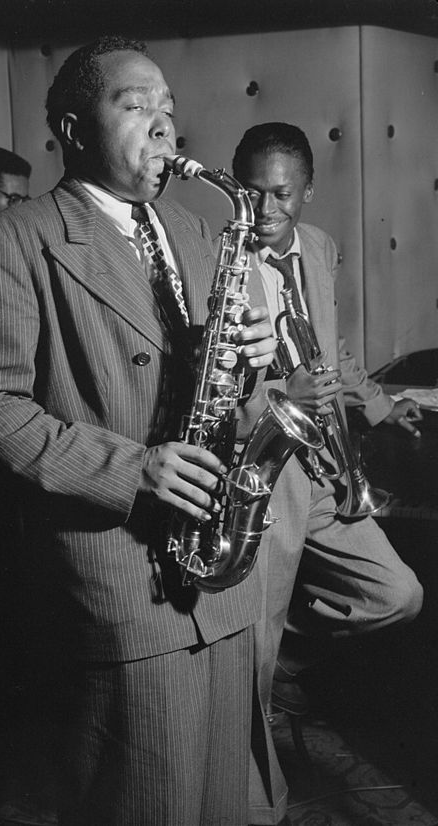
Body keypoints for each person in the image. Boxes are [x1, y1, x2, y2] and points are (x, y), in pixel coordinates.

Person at [0, 36, 279, 826]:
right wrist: (134, 470)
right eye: (135, 107)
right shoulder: (9, 240)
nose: (164, 128)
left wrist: (254, 360)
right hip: (121, 584)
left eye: (168, 110)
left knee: (227, 808)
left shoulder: (201, 236)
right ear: (71, 128)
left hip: (223, 581)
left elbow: (221, 389)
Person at [231, 122, 424, 822]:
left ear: (307, 191)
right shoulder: (216, 258)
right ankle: (263, 805)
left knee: (396, 593)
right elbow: (204, 382)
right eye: (251, 191)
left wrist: (376, 406)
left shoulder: (319, 247)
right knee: (246, 653)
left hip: (323, 467)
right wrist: (281, 399)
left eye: (281, 193)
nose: (265, 208)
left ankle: (285, 666)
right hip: (266, 472)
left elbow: (329, 351)